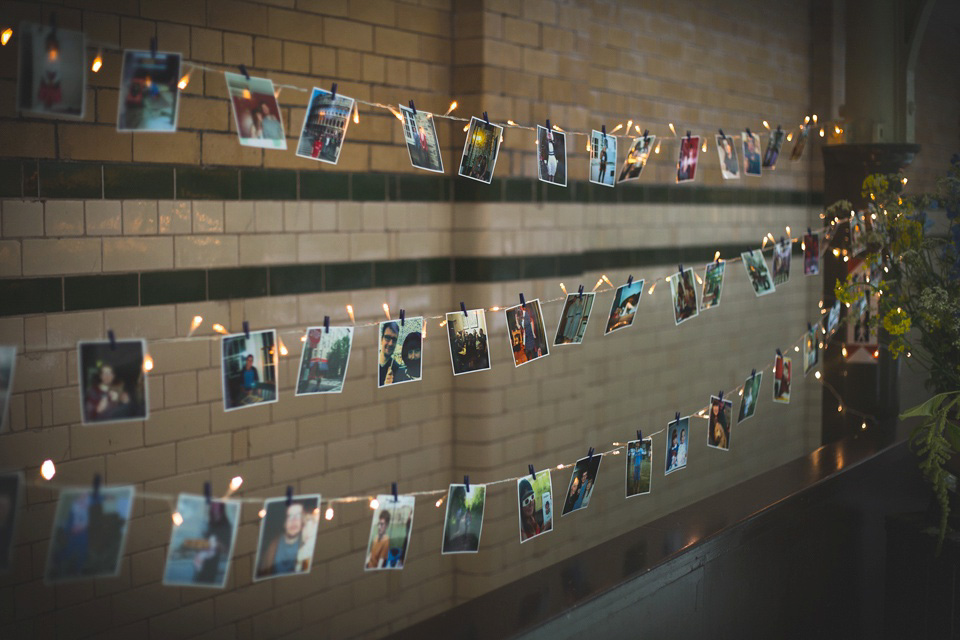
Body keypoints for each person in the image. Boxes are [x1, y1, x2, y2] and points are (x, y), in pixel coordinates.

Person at [257, 502, 308, 578]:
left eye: (298, 516)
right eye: (289, 516)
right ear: (284, 522)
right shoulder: (273, 545)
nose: (293, 521)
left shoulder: (306, 544)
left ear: (303, 521)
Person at [193, 501, 233, 584]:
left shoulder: (226, 526)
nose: (215, 509)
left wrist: (217, 544)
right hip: (202, 562)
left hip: (212, 565)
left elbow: (227, 550)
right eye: (213, 507)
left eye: (217, 507)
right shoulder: (209, 523)